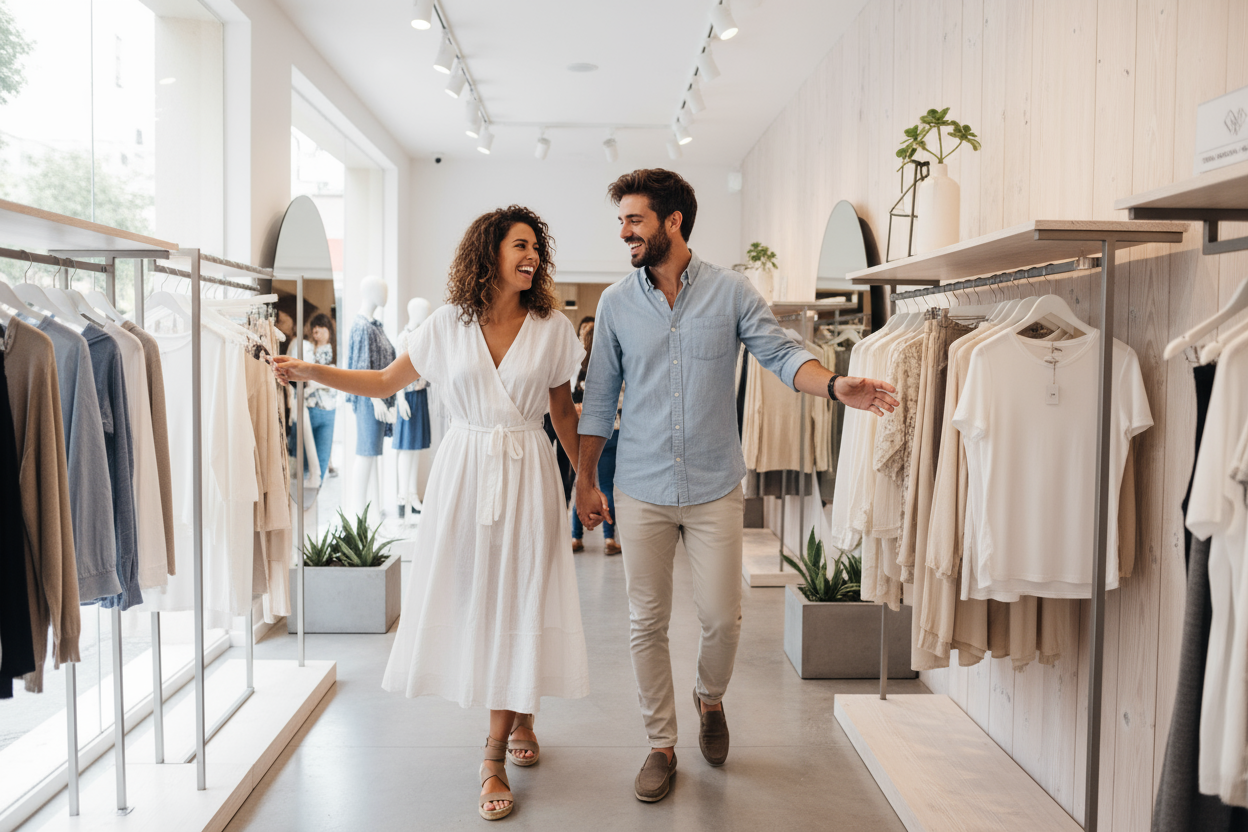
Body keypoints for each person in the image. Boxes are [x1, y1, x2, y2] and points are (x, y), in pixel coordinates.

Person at [575, 169, 897, 804]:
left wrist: (834, 384)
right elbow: (600, 401)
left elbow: (779, 353)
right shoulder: (615, 303)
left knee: (721, 617)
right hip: (639, 485)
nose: (624, 233)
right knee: (646, 620)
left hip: (715, 484)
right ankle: (661, 744)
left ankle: (710, 698)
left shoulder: (730, 293)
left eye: (634, 220)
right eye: (621, 222)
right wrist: (585, 480)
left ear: (672, 222)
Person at [273, 205, 589, 822]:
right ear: (488, 253)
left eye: (537, 251)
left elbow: (562, 415)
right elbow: (385, 383)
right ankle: (520, 709)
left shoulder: (550, 328)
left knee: (524, 593)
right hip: (466, 472)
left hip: (528, 470)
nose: (532, 258)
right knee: (480, 596)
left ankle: (494, 751)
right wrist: (311, 370)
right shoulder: (447, 325)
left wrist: (585, 482)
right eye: (520, 246)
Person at [570, 322, 621, 555]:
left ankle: (575, 537)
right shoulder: (613, 366)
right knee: (607, 485)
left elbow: (569, 403)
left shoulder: (578, 369)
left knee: (583, 482)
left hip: (584, 433)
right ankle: (609, 539)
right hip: (613, 431)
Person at [301, 312, 337, 482]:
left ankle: (316, 492)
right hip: (311, 406)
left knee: (320, 459)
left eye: (321, 329)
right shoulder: (308, 349)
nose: (318, 333)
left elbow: (330, 380)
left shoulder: (334, 350)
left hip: (327, 406)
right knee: (310, 459)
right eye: (315, 330)